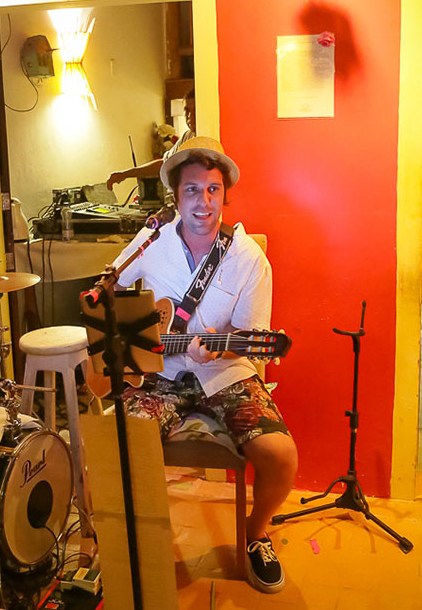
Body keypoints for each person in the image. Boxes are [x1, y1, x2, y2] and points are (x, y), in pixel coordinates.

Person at [110, 136, 298, 593]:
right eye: (192, 189)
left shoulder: (248, 258)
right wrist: (132, 335)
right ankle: (140, 537)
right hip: (158, 374)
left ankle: (255, 535)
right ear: (176, 196)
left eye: (213, 190)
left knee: (280, 456)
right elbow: (111, 291)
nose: (204, 201)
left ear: (224, 195)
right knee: (115, 444)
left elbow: (251, 340)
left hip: (224, 374)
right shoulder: (150, 241)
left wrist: (218, 349)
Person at [106, 89, 196, 190]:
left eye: (195, 111)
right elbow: (165, 163)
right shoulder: (187, 136)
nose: (190, 116)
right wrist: (125, 174)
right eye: (187, 111)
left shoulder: (208, 137)